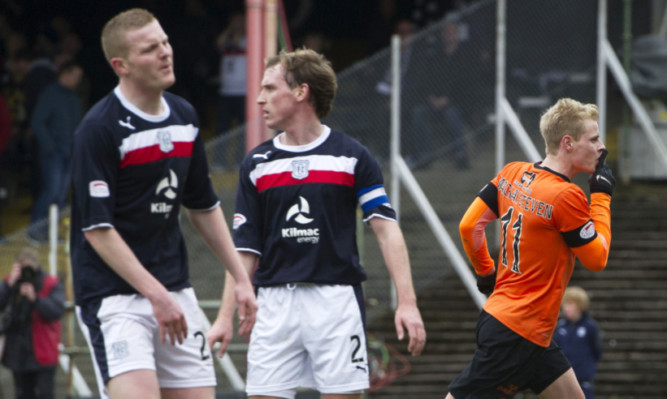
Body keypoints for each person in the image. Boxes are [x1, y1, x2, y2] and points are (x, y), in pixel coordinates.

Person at [206, 48, 427, 399]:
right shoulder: (257, 163)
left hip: (336, 301)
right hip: (273, 303)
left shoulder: (352, 156)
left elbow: (386, 231)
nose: (260, 99)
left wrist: (408, 302)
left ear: (300, 92)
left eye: (269, 88)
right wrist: (223, 318)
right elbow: (244, 250)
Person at [69, 9, 257, 399]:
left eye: (165, 42)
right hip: (113, 298)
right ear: (121, 65)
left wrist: (240, 278)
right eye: (150, 48)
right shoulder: (99, 129)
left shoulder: (185, 116)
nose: (165, 53)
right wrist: (156, 296)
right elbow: (98, 231)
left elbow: (203, 206)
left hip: (175, 290)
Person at [450, 97, 615, 398]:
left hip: (522, 328)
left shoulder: (512, 173)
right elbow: (597, 258)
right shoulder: (566, 196)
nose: (601, 146)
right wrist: (601, 197)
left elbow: (469, 226)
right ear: (568, 142)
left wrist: (488, 273)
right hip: (518, 332)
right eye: (593, 139)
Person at [27, 59, 84, 244]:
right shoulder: (51, 93)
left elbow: (79, 125)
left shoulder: (73, 97)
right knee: (51, 192)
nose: (77, 80)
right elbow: (37, 121)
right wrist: (50, 146)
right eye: (74, 75)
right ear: (64, 73)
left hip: (69, 153)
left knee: (60, 195)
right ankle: (35, 231)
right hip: (54, 153)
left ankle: (51, 233)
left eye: (79, 77)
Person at [0, 247, 65, 399]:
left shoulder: (50, 283)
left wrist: (34, 298)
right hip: (18, 353)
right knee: (22, 394)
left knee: (45, 394)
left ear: (36, 266)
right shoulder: (11, 282)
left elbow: (55, 311)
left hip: (43, 351)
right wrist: (9, 285)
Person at [554, 286, 603, 399]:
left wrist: (586, 367)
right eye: (565, 304)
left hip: (582, 377)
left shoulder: (590, 327)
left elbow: (597, 351)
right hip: (562, 378)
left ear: (580, 306)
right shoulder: (559, 326)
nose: (567, 308)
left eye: (571, 304)